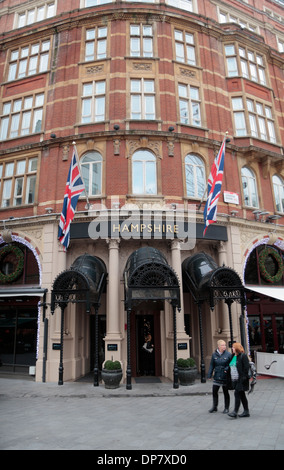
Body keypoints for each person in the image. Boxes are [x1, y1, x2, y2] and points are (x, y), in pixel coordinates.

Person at [207, 340, 232, 413]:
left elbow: (231, 364)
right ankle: (214, 406)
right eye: (222, 345)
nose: (224, 346)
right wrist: (209, 374)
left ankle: (226, 408)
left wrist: (227, 369)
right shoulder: (214, 355)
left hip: (225, 375)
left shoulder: (228, 354)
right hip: (217, 375)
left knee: (225, 392)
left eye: (225, 345)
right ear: (218, 346)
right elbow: (212, 365)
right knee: (214, 391)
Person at [227, 342, 250, 418]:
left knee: (237, 393)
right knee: (242, 395)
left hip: (241, 379)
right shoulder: (233, 356)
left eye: (233, 347)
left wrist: (243, 377)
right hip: (235, 379)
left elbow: (246, 368)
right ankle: (246, 411)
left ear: (236, 348)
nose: (232, 349)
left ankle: (235, 412)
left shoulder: (243, 356)